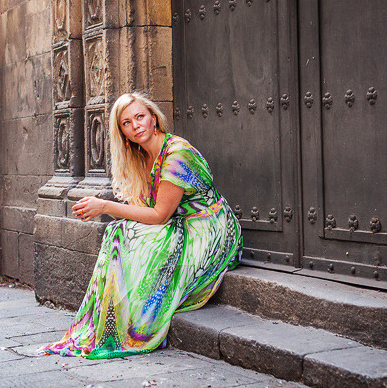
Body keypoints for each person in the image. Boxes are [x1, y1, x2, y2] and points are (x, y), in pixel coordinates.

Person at [42, 92, 242, 359]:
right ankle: (111, 323)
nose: (136, 125)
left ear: (154, 119)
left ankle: (134, 322)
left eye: (140, 117)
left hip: (210, 229)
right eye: (127, 122)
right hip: (180, 224)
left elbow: (159, 215)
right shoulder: (143, 157)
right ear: (122, 132)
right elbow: (146, 213)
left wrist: (105, 206)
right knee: (118, 231)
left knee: (124, 230)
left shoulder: (176, 155)